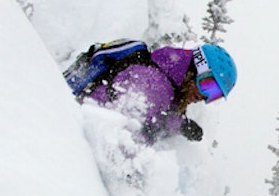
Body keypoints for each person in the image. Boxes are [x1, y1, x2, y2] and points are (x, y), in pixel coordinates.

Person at [77, 42, 237, 143]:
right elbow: (126, 139)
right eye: (208, 86)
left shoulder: (167, 81)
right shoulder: (150, 83)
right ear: (196, 70)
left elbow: (160, 116)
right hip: (81, 134)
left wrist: (181, 125)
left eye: (214, 95)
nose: (204, 97)